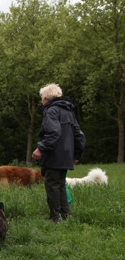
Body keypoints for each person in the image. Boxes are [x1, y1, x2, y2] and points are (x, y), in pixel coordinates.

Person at [32, 83, 85, 222]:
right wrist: (76, 155)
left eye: (42, 98)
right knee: (61, 185)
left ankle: (55, 217)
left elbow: (53, 133)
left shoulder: (51, 111)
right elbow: (79, 135)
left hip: (54, 155)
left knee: (52, 186)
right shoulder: (68, 111)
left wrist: (40, 148)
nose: (41, 101)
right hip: (67, 156)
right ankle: (65, 215)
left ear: (46, 98)